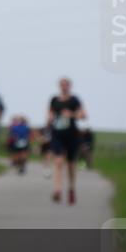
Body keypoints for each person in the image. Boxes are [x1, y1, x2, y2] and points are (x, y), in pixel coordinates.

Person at [46, 77, 87, 205]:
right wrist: (50, 119)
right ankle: (57, 190)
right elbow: (49, 114)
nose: (64, 87)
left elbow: (84, 115)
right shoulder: (54, 100)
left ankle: (71, 189)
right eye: (62, 85)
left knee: (70, 165)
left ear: (70, 86)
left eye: (66, 85)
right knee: (58, 162)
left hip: (72, 135)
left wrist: (72, 114)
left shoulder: (75, 100)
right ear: (59, 86)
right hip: (57, 134)